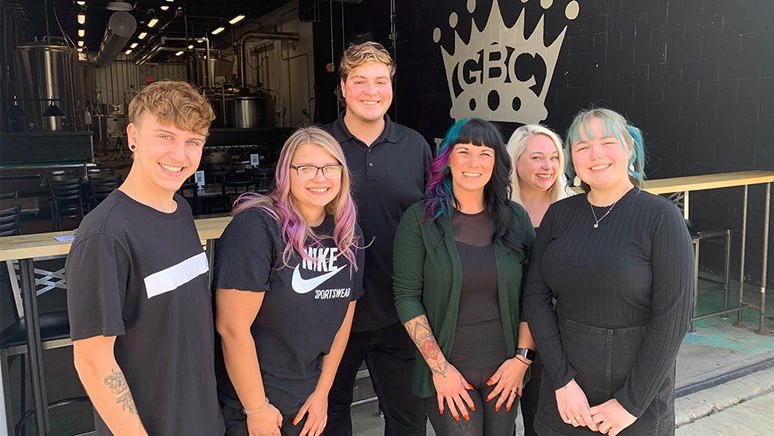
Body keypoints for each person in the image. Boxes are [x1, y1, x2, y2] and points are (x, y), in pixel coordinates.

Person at [66, 81, 224, 436]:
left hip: (202, 419)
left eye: (193, 142)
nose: (180, 155)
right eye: (165, 136)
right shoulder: (105, 234)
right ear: (133, 136)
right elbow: (93, 361)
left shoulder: (179, 209)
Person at [523, 108, 693, 436]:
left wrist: (630, 402)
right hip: (565, 390)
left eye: (606, 142)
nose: (595, 154)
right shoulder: (558, 215)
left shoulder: (661, 217)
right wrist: (562, 381)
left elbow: (673, 319)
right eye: (582, 146)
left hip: (637, 396)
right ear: (572, 159)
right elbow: (535, 297)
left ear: (630, 148)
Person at [213, 126, 365, 436]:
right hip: (251, 404)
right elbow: (231, 328)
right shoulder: (257, 228)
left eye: (329, 167)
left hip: (307, 400)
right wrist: (256, 408)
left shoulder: (347, 235)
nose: (320, 178)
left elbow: (342, 321)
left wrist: (323, 393)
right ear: (286, 173)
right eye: (306, 168)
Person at [393, 118, 536, 436]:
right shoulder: (420, 220)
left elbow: (533, 294)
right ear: (447, 158)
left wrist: (522, 361)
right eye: (464, 151)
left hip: (505, 371)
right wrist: (439, 369)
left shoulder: (516, 219)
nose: (474, 162)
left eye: (485, 153)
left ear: (496, 162)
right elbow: (406, 296)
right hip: (448, 371)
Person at [323, 41, 431, 436]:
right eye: (361, 81)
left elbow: (433, 221)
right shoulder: (318, 146)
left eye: (381, 81)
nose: (372, 91)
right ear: (344, 87)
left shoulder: (415, 146)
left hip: (400, 312)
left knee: (408, 420)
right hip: (329, 313)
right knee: (326, 418)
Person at [505, 124, 573, 436]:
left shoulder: (573, 209)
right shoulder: (496, 211)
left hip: (553, 336)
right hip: (500, 331)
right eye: (536, 158)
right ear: (515, 161)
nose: (548, 166)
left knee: (542, 421)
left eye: (554, 157)